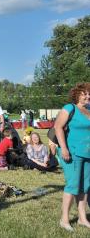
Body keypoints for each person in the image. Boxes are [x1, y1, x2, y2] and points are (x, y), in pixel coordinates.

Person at [55, 82, 90, 231]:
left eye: (89, 94)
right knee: (73, 185)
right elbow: (58, 127)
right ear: (77, 95)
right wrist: (64, 148)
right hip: (72, 152)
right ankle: (64, 219)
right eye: (85, 94)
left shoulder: (89, 110)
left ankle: (82, 219)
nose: (88, 96)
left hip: (88, 153)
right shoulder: (70, 108)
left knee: (85, 187)